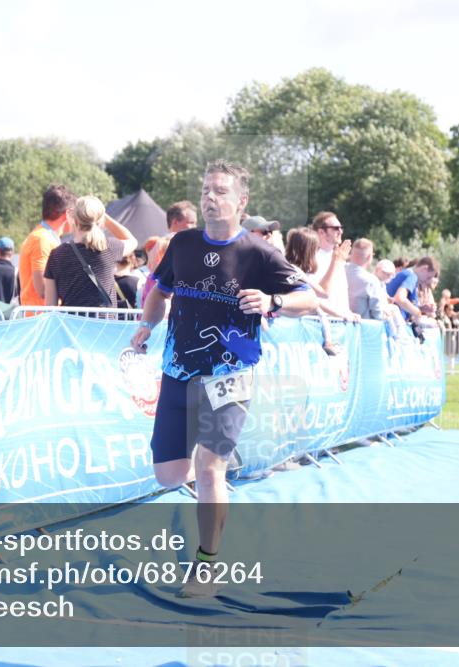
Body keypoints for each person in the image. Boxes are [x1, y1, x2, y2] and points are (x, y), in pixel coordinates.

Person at [129, 160, 317, 598]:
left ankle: (206, 564)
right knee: (169, 476)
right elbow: (159, 288)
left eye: (220, 191)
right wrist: (148, 324)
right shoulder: (182, 244)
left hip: (229, 376)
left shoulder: (257, 253)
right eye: (206, 190)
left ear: (241, 201)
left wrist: (272, 300)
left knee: (208, 469)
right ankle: (211, 479)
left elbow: (307, 298)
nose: (211, 197)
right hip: (178, 371)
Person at [44, 196, 137, 309]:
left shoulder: (56, 255)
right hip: (104, 324)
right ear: (100, 220)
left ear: (74, 218)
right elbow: (133, 241)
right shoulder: (108, 247)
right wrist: (104, 218)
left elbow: (50, 305)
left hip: (71, 324)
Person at [284, 227, 358, 355]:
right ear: (308, 250)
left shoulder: (292, 268)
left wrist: (342, 314)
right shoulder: (292, 269)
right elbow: (322, 293)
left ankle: (328, 342)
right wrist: (337, 260)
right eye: (316, 248)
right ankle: (328, 342)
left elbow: (316, 295)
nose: (317, 252)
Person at [18, 185, 76, 307]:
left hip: (44, 317)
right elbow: (43, 289)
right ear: (67, 214)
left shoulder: (45, 236)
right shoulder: (42, 239)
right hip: (40, 319)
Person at [309, 211, 350, 311]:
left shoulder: (339, 256)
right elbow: (315, 295)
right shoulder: (310, 258)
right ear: (321, 232)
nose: (341, 231)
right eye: (336, 228)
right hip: (321, 322)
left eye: (341, 228)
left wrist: (347, 313)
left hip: (342, 321)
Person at [385, 257, 440, 325]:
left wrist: (421, 308)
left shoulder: (410, 274)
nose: (427, 281)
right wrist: (417, 312)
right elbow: (399, 298)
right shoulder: (412, 276)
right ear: (424, 269)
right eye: (428, 277)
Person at [345, 238, 385, 320]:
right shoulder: (371, 281)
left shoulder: (338, 270)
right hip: (363, 327)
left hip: (338, 324)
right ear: (370, 256)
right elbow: (377, 313)